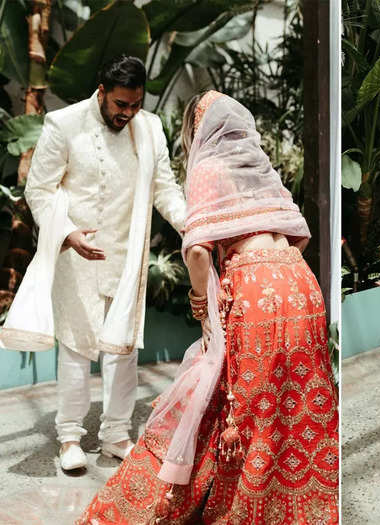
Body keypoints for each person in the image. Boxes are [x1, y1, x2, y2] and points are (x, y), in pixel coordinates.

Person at [77, 90, 339, 524]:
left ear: (197, 128)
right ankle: (296, 505)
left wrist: (203, 304)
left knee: (244, 401)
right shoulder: (259, 166)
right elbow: (300, 234)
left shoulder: (208, 169)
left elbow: (198, 251)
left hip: (256, 289)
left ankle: (242, 505)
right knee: (293, 399)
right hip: (300, 286)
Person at [15, 55, 186, 471]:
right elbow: (39, 190)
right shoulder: (65, 124)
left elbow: (165, 188)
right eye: (120, 105)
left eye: (135, 105)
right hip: (77, 254)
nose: (127, 114)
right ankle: (69, 437)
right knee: (76, 349)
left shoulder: (149, 129)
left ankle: (115, 434)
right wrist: (67, 233)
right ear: (102, 91)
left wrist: (192, 225)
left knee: (122, 350)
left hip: (126, 258)